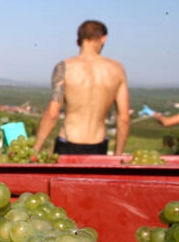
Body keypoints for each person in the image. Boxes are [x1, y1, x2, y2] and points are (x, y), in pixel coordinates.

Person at [33, 20, 130, 155]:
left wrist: (36, 149)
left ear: (78, 42)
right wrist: (117, 156)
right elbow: (124, 118)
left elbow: (52, 114)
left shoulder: (64, 67)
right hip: (98, 144)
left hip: (68, 142)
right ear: (103, 38)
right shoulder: (117, 69)